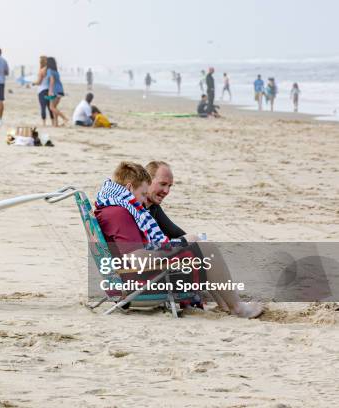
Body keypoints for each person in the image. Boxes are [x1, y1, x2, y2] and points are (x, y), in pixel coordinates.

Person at [94, 161, 263, 318]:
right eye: (143, 194)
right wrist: (178, 244)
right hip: (136, 284)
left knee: (199, 245)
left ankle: (227, 305)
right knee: (206, 250)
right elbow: (137, 261)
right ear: (129, 188)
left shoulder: (111, 206)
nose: (145, 200)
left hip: (128, 278)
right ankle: (238, 308)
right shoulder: (119, 213)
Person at [144, 161, 186, 238]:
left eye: (169, 186)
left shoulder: (152, 206)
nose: (166, 191)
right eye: (162, 184)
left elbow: (175, 232)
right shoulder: (132, 207)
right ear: (147, 181)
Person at [46, 57, 68, 127]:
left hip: (55, 91)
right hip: (60, 90)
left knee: (51, 107)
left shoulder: (49, 70)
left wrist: (50, 91)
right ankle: (56, 124)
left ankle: (64, 118)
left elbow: (52, 81)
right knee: (54, 107)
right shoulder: (56, 71)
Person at [33, 56, 54, 126]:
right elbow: (52, 81)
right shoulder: (50, 70)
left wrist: (33, 83)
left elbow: (39, 82)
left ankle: (44, 123)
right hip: (49, 90)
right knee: (50, 107)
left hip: (41, 91)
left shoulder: (41, 70)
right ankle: (53, 122)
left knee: (43, 107)